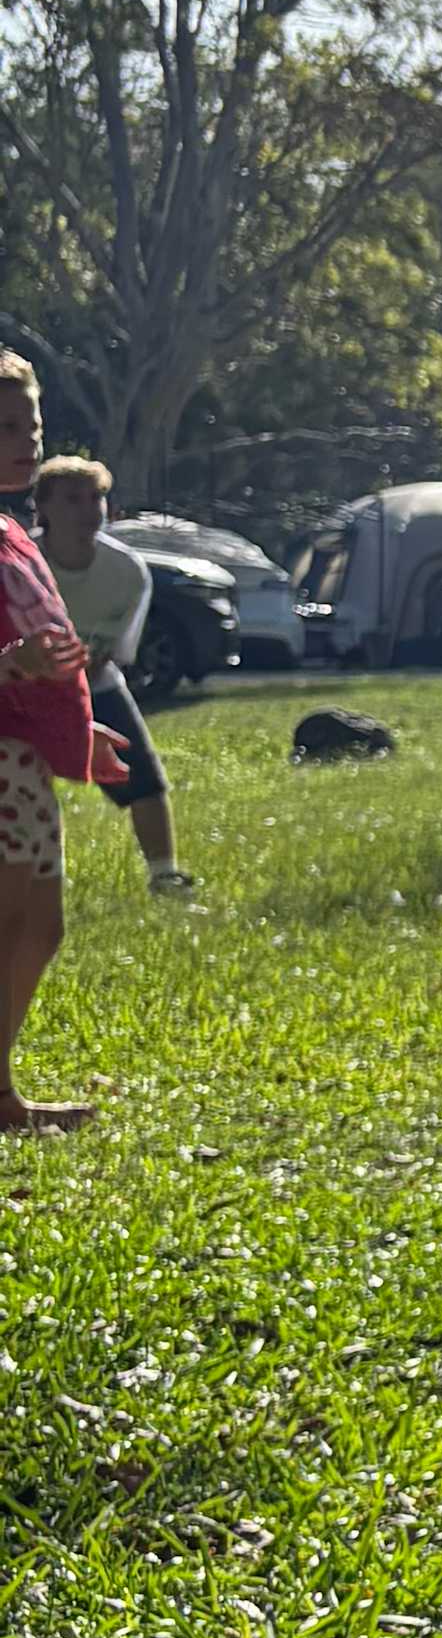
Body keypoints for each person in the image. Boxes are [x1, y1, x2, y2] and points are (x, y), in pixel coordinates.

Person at [0, 360, 97, 1125]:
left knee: (40, 926)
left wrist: (84, 729)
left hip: (23, 759)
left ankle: (0, 1092)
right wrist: (13, 664)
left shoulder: (10, 536)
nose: (26, 440)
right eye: (5, 427)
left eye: (30, 424)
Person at [33, 459, 200, 902]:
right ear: (43, 507)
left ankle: (165, 875)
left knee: (143, 777)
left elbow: (116, 652)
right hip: (18, 691)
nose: (89, 510)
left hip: (95, 684)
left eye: (96, 498)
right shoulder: (20, 564)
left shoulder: (127, 571)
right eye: (73, 499)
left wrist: (79, 673)